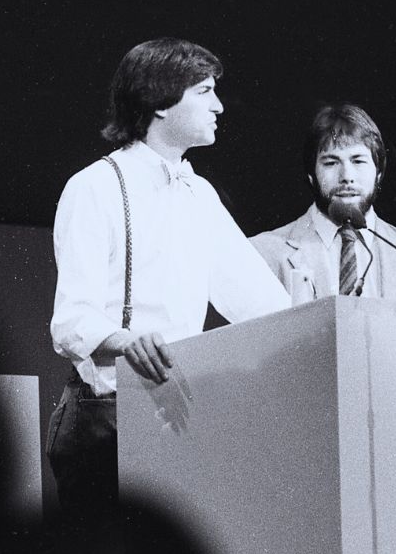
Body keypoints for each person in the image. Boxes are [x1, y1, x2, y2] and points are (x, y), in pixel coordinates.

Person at [48, 38, 290, 518]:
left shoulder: (199, 194)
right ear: (160, 102)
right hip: (107, 419)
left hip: (178, 416)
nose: (219, 105)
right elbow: (72, 321)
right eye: (204, 91)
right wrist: (127, 340)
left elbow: (264, 304)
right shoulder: (94, 186)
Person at [250, 103, 396, 302]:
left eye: (358, 161)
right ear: (311, 175)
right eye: (331, 163)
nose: (346, 176)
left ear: (379, 173)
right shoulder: (263, 252)